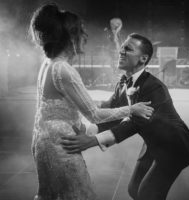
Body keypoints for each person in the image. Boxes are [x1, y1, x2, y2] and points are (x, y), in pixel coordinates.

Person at [30, 4, 153, 200]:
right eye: (81, 34)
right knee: (77, 194)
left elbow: (63, 102)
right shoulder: (64, 69)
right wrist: (132, 109)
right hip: (62, 145)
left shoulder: (48, 63)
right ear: (71, 38)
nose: (84, 39)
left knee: (50, 195)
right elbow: (93, 114)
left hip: (43, 141)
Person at [61, 33, 189, 200]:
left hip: (175, 147)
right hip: (153, 143)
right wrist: (87, 130)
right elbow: (112, 113)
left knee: (147, 194)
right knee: (134, 190)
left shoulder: (154, 88)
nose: (121, 52)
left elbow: (133, 124)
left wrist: (92, 142)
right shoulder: (122, 83)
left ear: (143, 59)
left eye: (128, 49)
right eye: (121, 48)